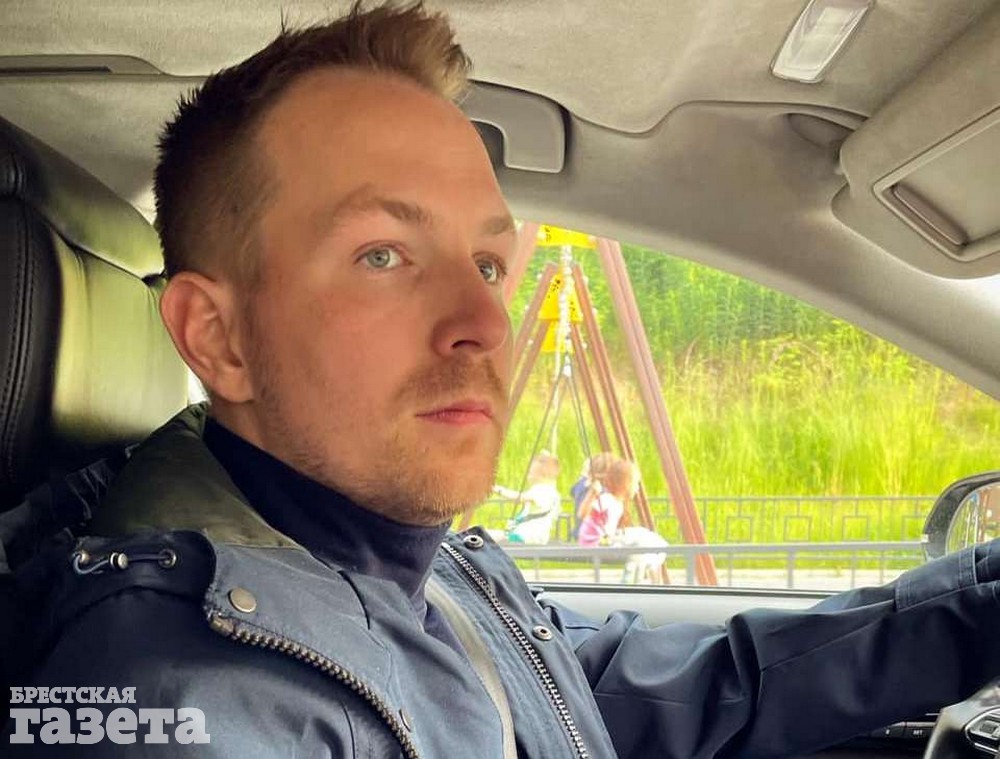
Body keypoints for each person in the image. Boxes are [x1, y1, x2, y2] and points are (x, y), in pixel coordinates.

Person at [3, 3, 1000, 757]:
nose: (484, 324)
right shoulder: (187, 700)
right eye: (384, 254)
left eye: (486, 264)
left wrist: (973, 608)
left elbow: (619, 688)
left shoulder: (404, 560)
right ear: (215, 337)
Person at [494, 451, 561, 544]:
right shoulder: (542, 490)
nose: (527, 475)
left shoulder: (544, 491)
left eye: (530, 472)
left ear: (542, 474)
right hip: (523, 535)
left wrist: (496, 489)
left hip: (527, 537)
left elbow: (519, 497)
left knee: (481, 537)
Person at [578, 458, 637, 547]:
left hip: (603, 541)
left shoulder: (619, 504)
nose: (637, 488)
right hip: (593, 543)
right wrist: (592, 494)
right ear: (625, 484)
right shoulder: (607, 500)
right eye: (635, 483)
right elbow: (582, 514)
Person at [570, 452, 614, 539]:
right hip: (590, 536)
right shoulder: (600, 492)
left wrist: (584, 478)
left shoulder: (582, 485)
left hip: (580, 532)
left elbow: (572, 491)